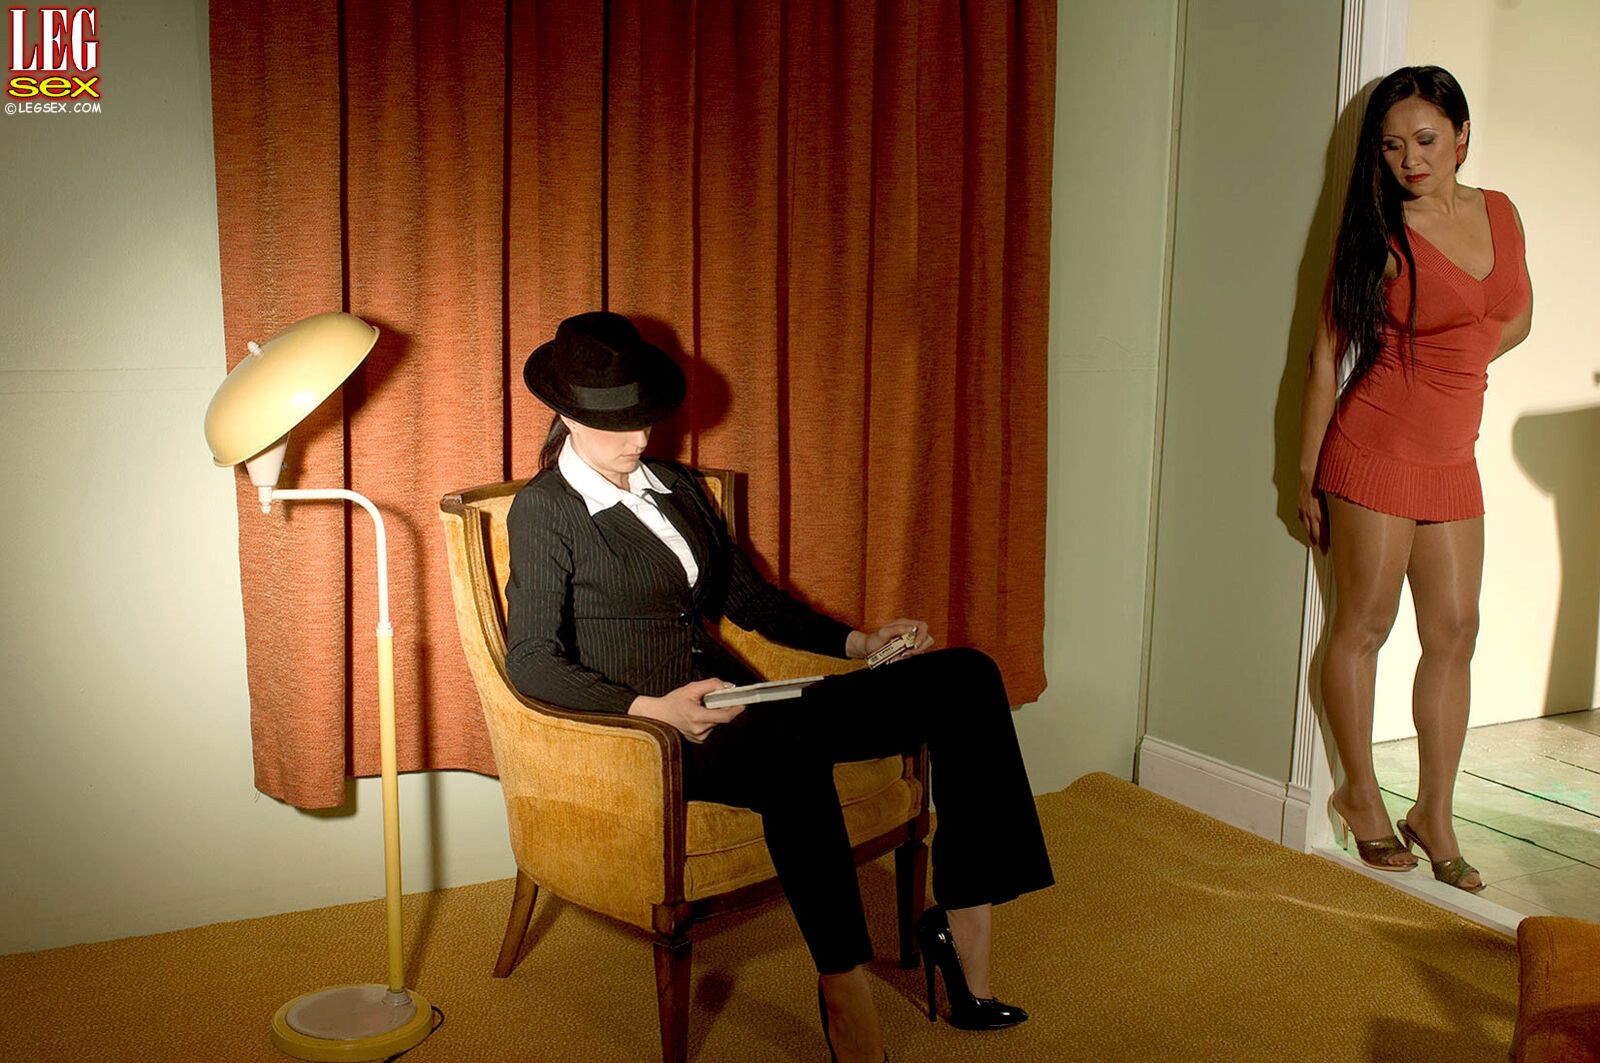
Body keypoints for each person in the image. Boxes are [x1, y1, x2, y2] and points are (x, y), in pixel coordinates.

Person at [503, 311, 1054, 1062]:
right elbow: (531, 659)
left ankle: (960, 926)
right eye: (616, 423)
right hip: (657, 735)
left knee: (966, 679)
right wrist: (653, 708)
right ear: (567, 416)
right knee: (791, 749)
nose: (638, 437)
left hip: (745, 706)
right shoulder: (547, 510)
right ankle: (843, 985)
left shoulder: (675, 485)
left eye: (644, 417)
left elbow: (751, 601)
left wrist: (858, 642)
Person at [1298, 66, 1532, 892]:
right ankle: (1359, 795)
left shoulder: (1500, 212)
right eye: (1393, 145)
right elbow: (1326, 355)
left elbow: (1513, 315)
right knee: (1364, 625)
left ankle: (1434, 811)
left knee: (1456, 628)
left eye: (1427, 140)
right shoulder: (1379, 233)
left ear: (1462, 136)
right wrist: (1306, 471)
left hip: (1451, 454)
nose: (1411, 160)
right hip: (1375, 446)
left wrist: (1455, 360)